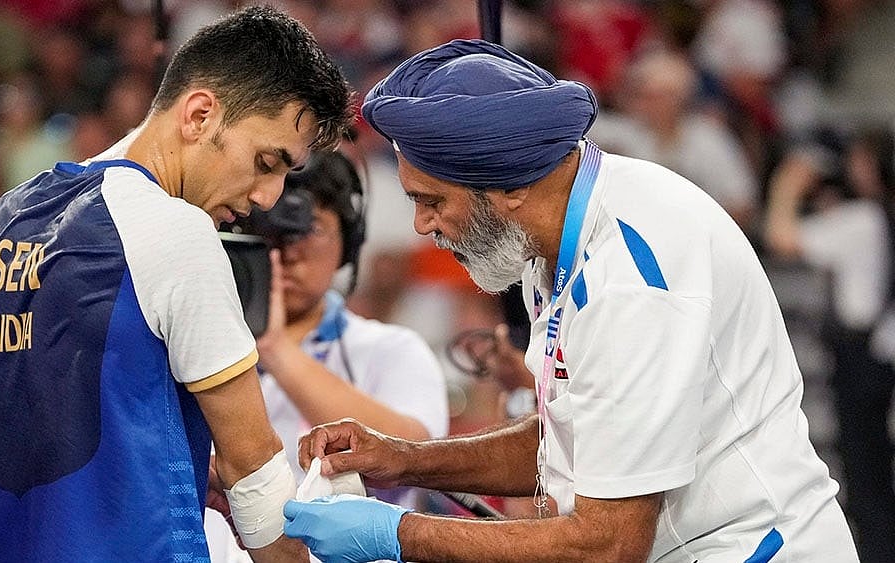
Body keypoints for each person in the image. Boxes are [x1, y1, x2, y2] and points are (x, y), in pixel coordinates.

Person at [280, 39, 859, 562]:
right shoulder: (552, 238)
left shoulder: (631, 280)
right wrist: (404, 459)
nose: (422, 224)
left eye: (431, 200)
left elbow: (607, 544)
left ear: (505, 186)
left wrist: (398, 534)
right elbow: (568, 441)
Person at [0, 6, 353, 562]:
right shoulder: (178, 231)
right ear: (200, 114)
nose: (268, 197)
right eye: (266, 161)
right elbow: (251, 470)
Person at [205, 149, 449, 562]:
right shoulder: (192, 349)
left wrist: (276, 348)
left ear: (348, 244)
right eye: (268, 229)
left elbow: (416, 455)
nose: (287, 251)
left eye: (309, 228)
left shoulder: (389, 350)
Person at [764, 127, 895, 563]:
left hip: (865, 361)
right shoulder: (869, 216)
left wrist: (788, 183)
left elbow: (781, 236)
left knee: (868, 479)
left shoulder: (862, 220)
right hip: (874, 357)